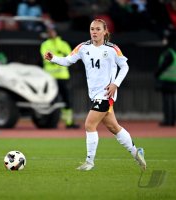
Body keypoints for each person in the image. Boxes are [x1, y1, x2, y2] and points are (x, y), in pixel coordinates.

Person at [44, 19, 146, 171]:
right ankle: (136, 152)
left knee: (89, 124)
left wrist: (115, 84)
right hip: (94, 94)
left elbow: (124, 66)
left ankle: (89, 162)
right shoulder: (83, 47)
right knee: (113, 127)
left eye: (98, 29)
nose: (94, 32)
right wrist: (53, 58)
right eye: (92, 29)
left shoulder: (113, 48)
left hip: (106, 93)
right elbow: (68, 61)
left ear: (105, 31)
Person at [40, 27, 80, 129]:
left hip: (63, 77)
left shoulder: (63, 44)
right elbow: (46, 58)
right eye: (49, 31)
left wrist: (56, 57)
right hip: (50, 77)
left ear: (56, 32)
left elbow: (69, 58)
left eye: (52, 31)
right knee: (50, 100)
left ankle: (69, 122)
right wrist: (59, 56)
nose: (51, 33)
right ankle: (50, 122)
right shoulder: (45, 44)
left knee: (67, 99)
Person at [155, 31, 176, 126]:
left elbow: (162, 66)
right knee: (172, 100)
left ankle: (169, 120)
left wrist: (156, 73)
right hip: (174, 80)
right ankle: (171, 120)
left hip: (167, 80)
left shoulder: (168, 53)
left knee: (167, 101)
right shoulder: (173, 52)